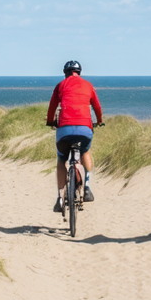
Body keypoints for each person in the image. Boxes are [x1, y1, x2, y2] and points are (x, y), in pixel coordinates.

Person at [45, 60, 103, 213]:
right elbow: (96, 106)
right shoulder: (88, 85)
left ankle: (60, 197)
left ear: (65, 73)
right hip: (85, 129)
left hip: (64, 129)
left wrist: (50, 121)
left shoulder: (60, 86)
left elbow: (52, 107)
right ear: (80, 72)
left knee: (61, 160)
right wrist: (100, 121)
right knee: (85, 151)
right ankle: (88, 186)